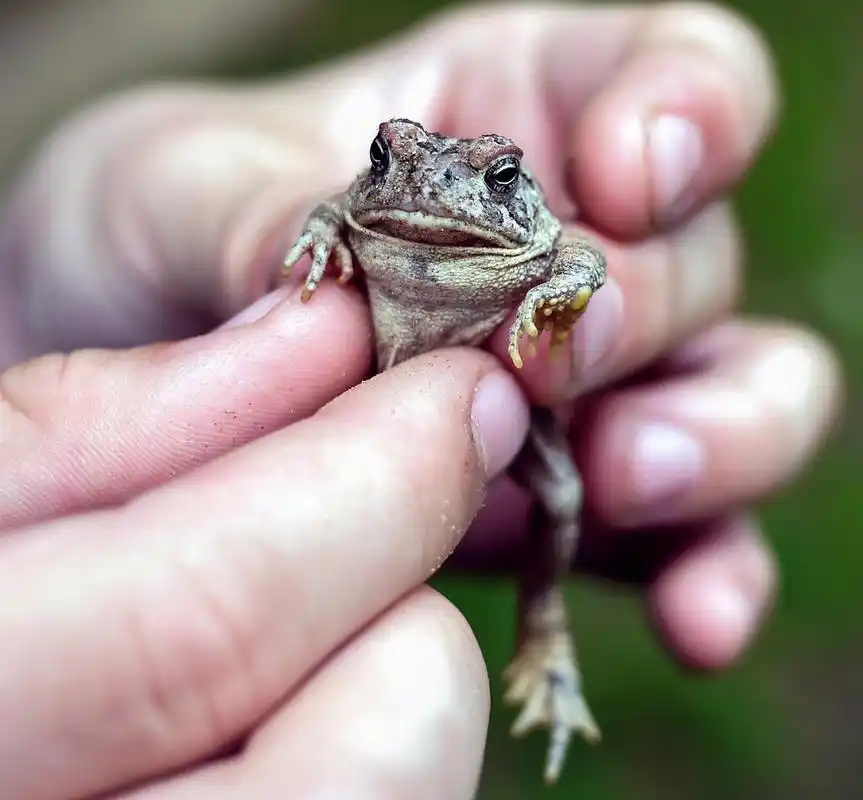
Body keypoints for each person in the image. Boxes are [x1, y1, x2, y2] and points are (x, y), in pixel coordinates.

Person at [0, 3, 841, 798]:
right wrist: (318, 230)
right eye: (389, 161)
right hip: (333, 402)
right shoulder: (366, 213)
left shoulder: (530, 248)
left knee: (565, 493)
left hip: (492, 399)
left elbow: (581, 262)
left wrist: (560, 301)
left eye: (495, 176)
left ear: (514, 184)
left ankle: (544, 633)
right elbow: (330, 206)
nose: (429, 187)